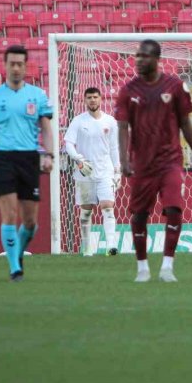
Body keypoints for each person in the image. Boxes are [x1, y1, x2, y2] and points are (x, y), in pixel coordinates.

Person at [115, 39, 192, 282]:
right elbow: (123, 127)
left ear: (157, 59)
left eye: (144, 56)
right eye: (137, 56)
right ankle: (142, 267)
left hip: (170, 161)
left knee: (175, 209)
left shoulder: (175, 86)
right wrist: (124, 159)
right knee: (138, 215)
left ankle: (167, 265)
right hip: (142, 164)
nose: (139, 60)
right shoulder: (128, 90)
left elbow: (185, 123)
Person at [0, 45, 55, 281]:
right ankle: (14, 268)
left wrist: (49, 155)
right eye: (12, 63)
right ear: (5, 65)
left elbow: (46, 128)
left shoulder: (37, 96)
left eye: (21, 63)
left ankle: (17, 253)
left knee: (30, 222)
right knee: (9, 214)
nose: (16, 68)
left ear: (26, 65)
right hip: (3, 158)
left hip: (29, 158)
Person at [64, 87, 121, 257]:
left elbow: (114, 148)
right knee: (86, 210)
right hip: (85, 172)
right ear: (84, 100)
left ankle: (111, 246)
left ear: (101, 99)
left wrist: (117, 171)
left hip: (105, 171)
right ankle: (87, 247)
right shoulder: (78, 121)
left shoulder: (110, 121)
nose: (92, 100)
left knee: (107, 206)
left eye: (95, 97)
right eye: (89, 97)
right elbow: (68, 143)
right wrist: (78, 159)